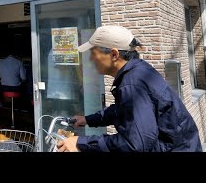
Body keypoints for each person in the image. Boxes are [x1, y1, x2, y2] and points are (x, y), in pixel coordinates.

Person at [57, 25, 202, 152]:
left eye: (93, 54)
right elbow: (123, 110)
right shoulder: (137, 71)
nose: (90, 60)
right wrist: (88, 120)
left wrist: (80, 143)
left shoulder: (132, 84)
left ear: (114, 54)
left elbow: (134, 144)